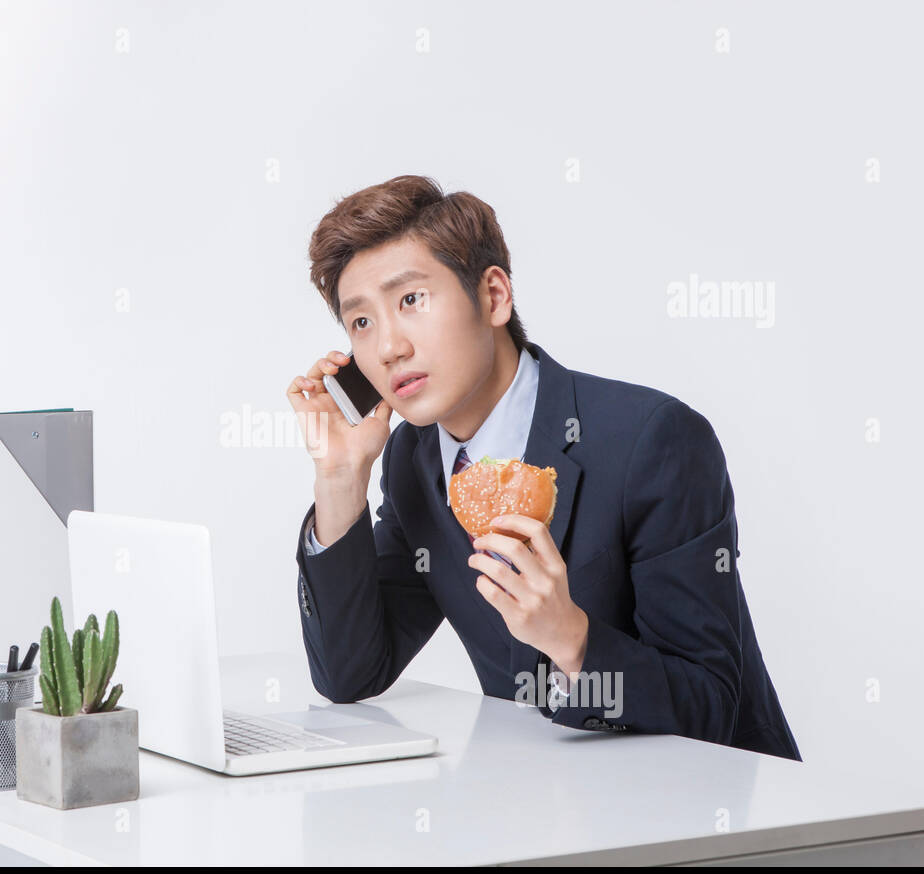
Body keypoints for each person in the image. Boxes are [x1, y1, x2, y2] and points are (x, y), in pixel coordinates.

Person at [286, 174, 800, 761]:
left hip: (714, 816)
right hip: (536, 808)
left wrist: (572, 640)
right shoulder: (413, 461)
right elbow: (350, 675)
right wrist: (339, 478)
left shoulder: (652, 439)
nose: (388, 348)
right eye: (361, 322)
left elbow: (711, 705)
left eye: (411, 300)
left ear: (494, 296)